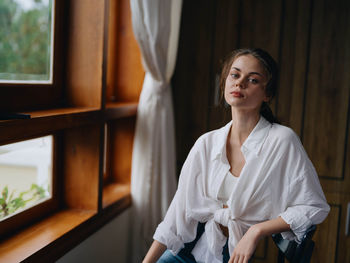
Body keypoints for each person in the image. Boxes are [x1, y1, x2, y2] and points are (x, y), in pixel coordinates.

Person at [142, 48, 330, 263]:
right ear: (224, 83)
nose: (240, 83)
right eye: (235, 75)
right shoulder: (206, 143)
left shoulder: (282, 141)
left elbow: (314, 206)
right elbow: (175, 218)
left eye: (253, 80)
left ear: (267, 93)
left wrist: (256, 230)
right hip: (189, 247)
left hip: (232, 253)